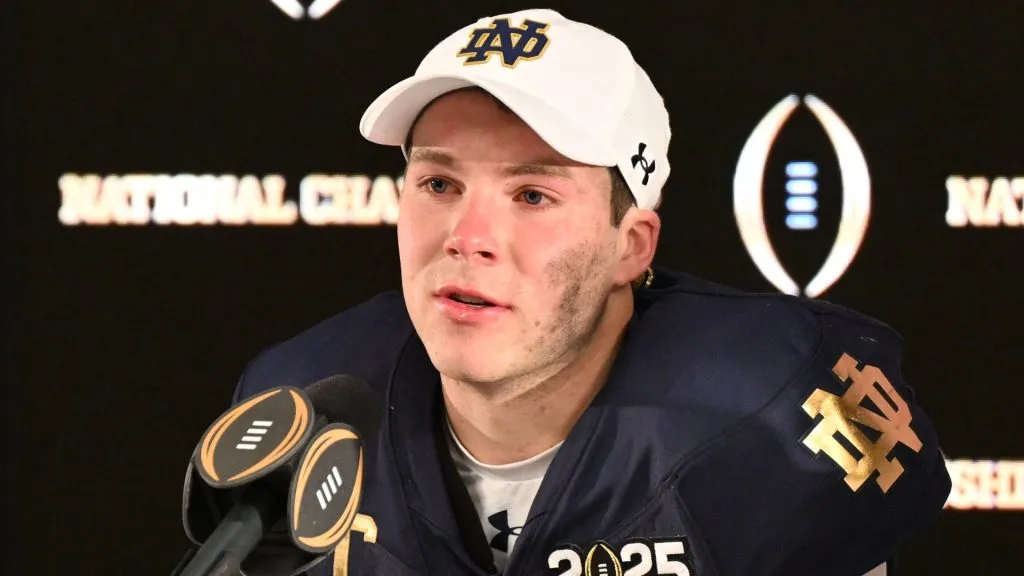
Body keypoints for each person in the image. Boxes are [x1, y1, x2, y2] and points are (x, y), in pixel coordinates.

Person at [230, 8, 951, 576]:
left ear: (630, 246)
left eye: (533, 194)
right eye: (439, 184)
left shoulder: (775, 413)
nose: (466, 235)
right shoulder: (298, 405)